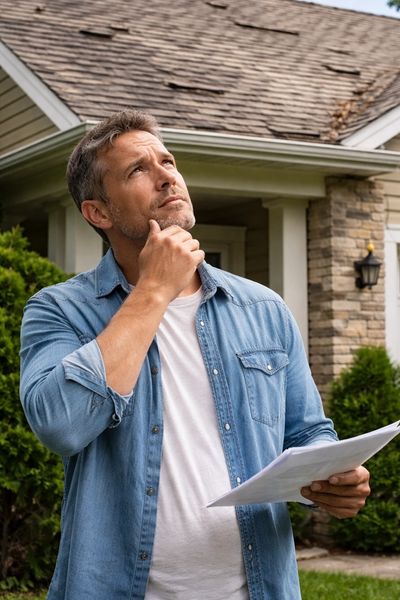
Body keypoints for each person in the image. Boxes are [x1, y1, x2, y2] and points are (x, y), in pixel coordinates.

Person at [20, 109, 370, 600]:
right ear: (98, 212)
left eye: (168, 162)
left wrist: (333, 481)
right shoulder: (59, 310)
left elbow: (307, 433)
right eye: (138, 170)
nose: (167, 177)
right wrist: (154, 291)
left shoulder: (263, 308)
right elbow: (62, 425)